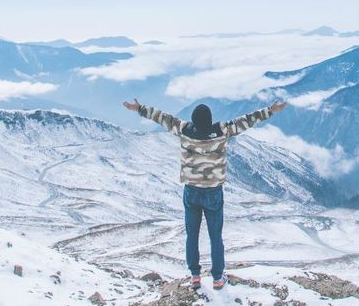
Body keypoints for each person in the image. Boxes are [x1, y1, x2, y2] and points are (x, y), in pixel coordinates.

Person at [123, 98, 287, 290]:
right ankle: (217, 277)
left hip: (191, 191)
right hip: (213, 192)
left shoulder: (185, 129)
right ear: (210, 120)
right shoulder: (221, 130)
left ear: (193, 120)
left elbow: (162, 118)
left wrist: (140, 108)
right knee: (215, 236)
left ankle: (195, 275)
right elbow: (248, 120)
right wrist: (271, 110)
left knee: (191, 235)